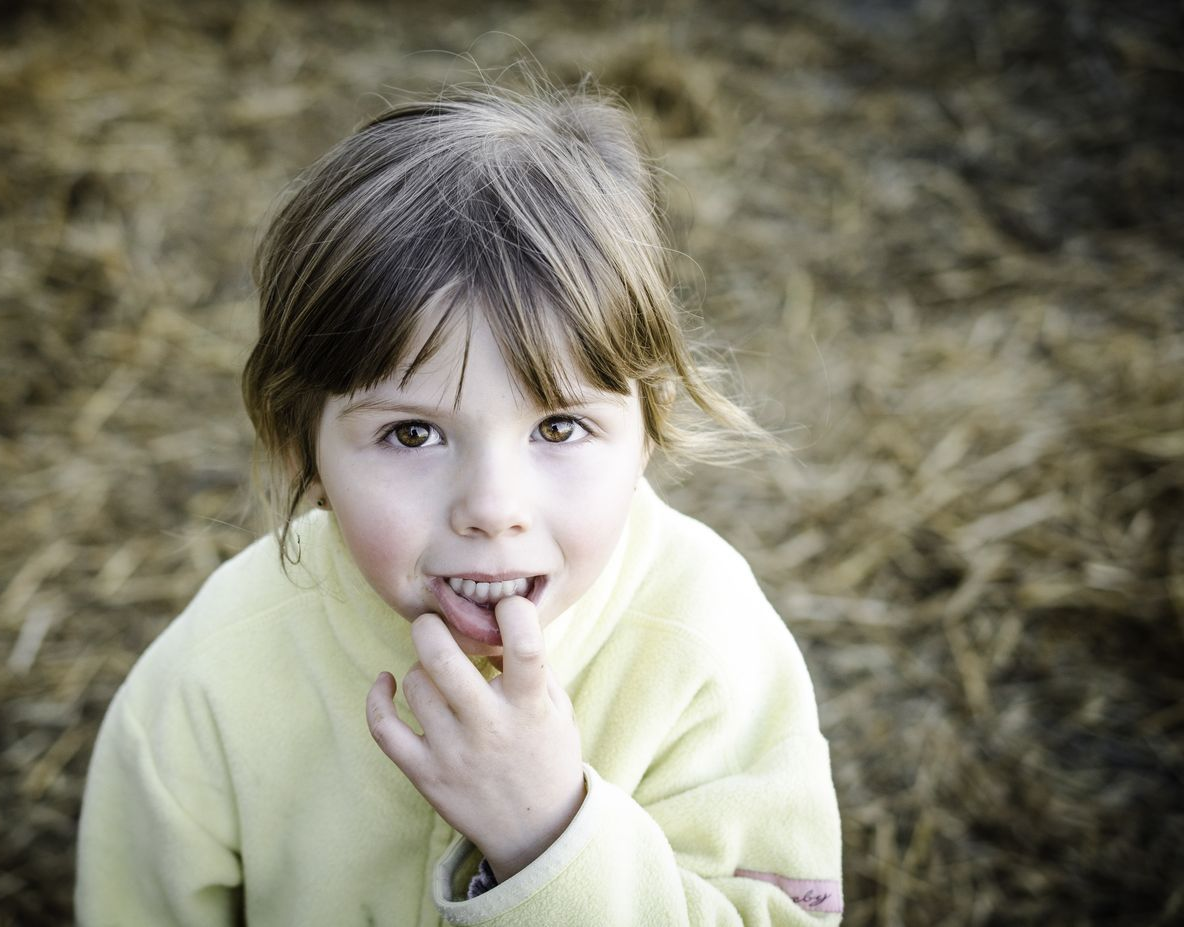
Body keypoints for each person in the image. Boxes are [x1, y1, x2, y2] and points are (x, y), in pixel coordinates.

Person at [75, 79, 843, 925]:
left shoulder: (709, 646)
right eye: (412, 434)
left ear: (647, 429)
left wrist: (549, 836)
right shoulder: (216, 668)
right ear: (304, 451)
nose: (492, 507)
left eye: (557, 427)